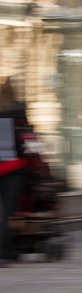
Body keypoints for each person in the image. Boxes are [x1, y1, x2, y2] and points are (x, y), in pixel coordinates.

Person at [0, 78, 28, 267]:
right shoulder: (18, 111)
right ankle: (6, 253)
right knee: (8, 213)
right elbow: (26, 138)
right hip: (13, 168)